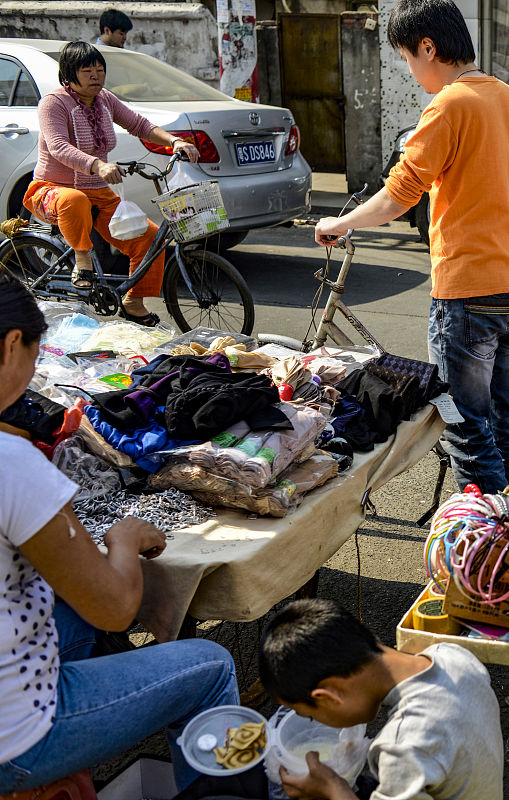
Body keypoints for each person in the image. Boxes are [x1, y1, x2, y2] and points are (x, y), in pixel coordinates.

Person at [0, 273, 240, 793]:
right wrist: (124, 540)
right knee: (211, 668)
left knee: (72, 617)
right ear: (10, 345)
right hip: (12, 738)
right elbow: (114, 608)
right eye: (34, 354)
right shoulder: (12, 462)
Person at [313, 0, 509, 494]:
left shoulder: (449, 105)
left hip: (468, 294)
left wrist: (339, 222)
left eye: (406, 57)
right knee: (507, 423)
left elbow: (399, 195)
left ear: (427, 47)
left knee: (465, 427)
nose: (409, 69)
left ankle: (489, 531)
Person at [24, 41, 200, 327]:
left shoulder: (105, 99)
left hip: (97, 192)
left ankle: (133, 303)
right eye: (87, 70)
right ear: (69, 73)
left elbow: (139, 125)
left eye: (100, 69)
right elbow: (58, 147)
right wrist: (98, 165)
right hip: (50, 189)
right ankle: (82, 260)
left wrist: (175, 141)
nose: (96, 76)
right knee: (74, 199)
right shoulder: (53, 103)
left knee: (150, 239)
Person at [258, 599, 503, 800]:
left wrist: (332, 788)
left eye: (311, 716)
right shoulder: (451, 655)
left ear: (329, 696)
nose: (317, 722)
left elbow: (410, 751)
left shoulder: (402, 747)